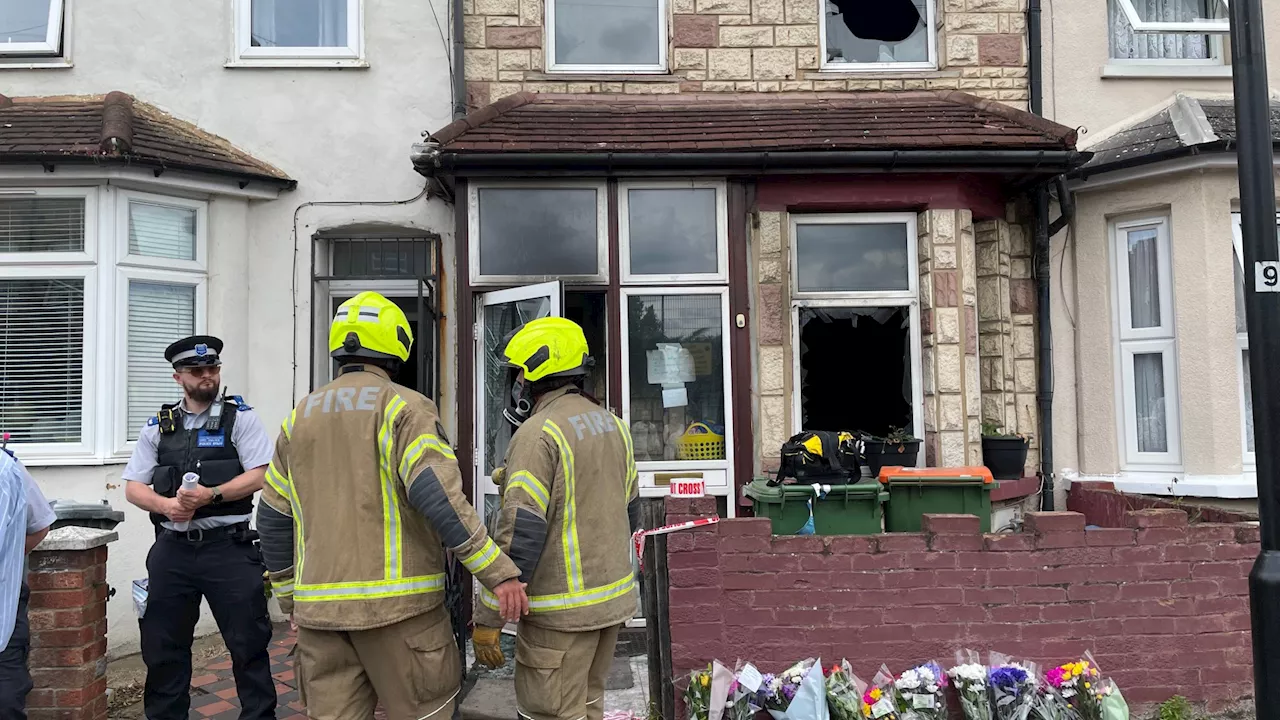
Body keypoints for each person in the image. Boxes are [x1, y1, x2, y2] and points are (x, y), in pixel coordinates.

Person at [256, 291, 529, 720]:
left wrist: (291, 601)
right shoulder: (404, 407)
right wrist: (498, 574)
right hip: (402, 618)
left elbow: (271, 518)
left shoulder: (299, 417)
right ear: (397, 347)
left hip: (320, 623)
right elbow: (439, 499)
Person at [472, 317, 640, 720]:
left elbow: (521, 536)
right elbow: (628, 510)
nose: (514, 385)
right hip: (609, 606)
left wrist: (488, 616)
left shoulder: (536, 434)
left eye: (517, 375)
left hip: (559, 619)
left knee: (547, 713)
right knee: (587, 707)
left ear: (532, 377)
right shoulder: (613, 425)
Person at [122, 335, 275, 720]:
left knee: (248, 645)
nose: (208, 376)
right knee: (164, 648)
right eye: (197, 371)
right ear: (178, 378)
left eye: (213, 369)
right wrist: (166, 506)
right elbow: (133, 487)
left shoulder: (240, 418)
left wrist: (213, 495)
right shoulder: (158, 426)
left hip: (230, 548)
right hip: (173, 550)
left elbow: (261, 475)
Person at [0, 448, 56, 719]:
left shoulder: (6, 468)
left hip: (3, 613)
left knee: (5, 700)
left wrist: (7, 561)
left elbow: (39, 524)